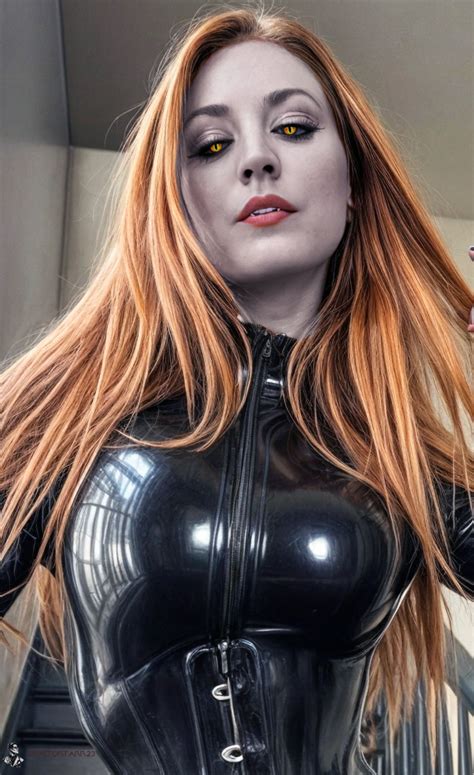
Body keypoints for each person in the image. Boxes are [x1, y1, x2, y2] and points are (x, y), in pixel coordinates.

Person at [1, 5, 473, 774]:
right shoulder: (64, 421)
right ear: (176, 201)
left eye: (293, 127)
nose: (256, 159)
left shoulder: (395, 456)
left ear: (353, 181)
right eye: (212, 145)